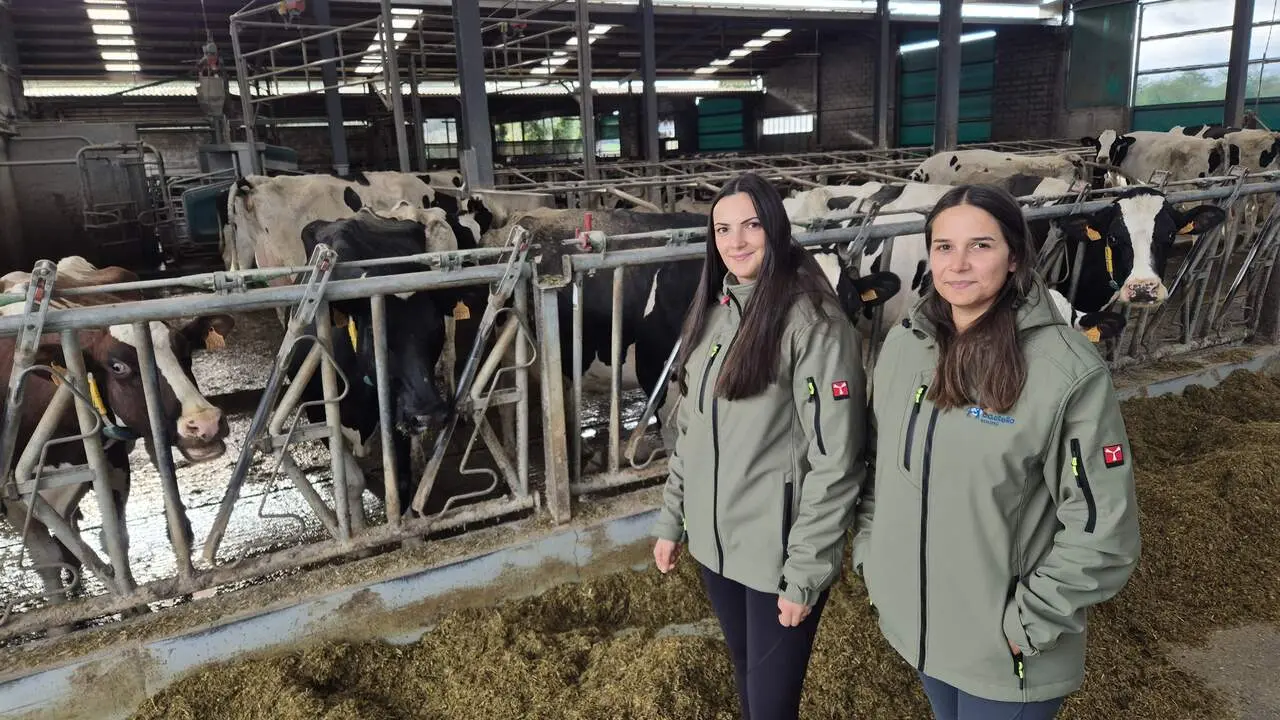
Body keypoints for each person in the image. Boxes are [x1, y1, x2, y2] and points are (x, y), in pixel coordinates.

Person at [850, 184, 1142, 720]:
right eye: (943, 247)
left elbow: (1105, 532)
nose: (958, 264)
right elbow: (878, 469)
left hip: (1008, 653)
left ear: (1013, 257)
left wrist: (1027, 623)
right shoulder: (905, 345)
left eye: (980, 246)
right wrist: (876, 558)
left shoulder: (1064, 370)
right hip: (921, 631)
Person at [650, 172, 870, 720]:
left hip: (777, 556)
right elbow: (692, 430)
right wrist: (673, 519)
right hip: (718, 547)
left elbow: (837, 458)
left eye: (751, 225)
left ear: (776, 229)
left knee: (771, 706)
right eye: (722, 228)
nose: (736, 241)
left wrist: (806, 569)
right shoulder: (715, 311)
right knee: (748, 684)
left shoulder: (813, 323)